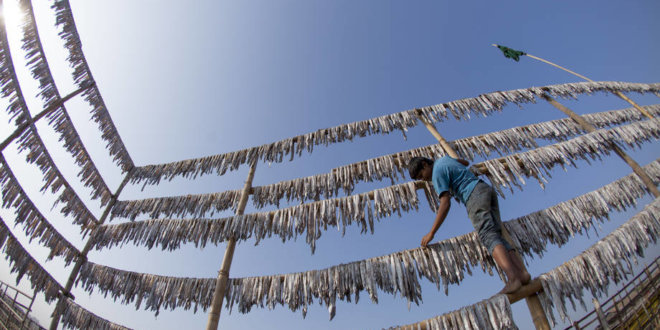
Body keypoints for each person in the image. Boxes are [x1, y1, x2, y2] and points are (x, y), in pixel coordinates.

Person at [407, 156, 530, 294]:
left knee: (488, 236)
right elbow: (465, 162)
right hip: (485, 189)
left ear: (424, 164)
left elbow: (445, 203)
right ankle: (522, 274)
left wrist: (432, 232)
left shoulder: (436, 173)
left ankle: (513, 279)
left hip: (473, 196)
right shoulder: (444, 160)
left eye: (421, 175)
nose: (423, 179)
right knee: (497, 235)